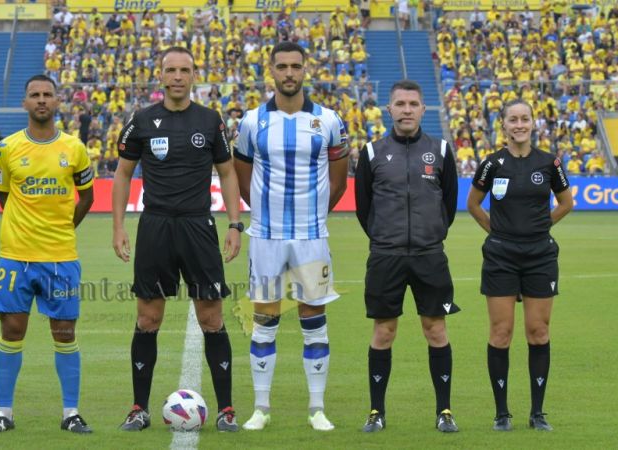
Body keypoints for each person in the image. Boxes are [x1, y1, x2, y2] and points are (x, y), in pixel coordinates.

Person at [112, 46, 242, 432]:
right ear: (161, 75)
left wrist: (235, 225)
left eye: (185, 70)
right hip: (155, 226)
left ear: (193, 75)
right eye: (171, 70)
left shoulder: (210, 120)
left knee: (212, 318)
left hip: (199, 226)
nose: (178, 77)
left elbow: (229, 173)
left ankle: (227, 410)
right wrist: (118, 226)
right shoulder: (142, 121)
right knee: (148, 318)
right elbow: (122, 174)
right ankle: (139, 408)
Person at [233, 41, 349, 432]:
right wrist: (264, 214)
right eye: (281, 66)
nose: (288, 73)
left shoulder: (329, 120)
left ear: (305, 69)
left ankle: (317, 408)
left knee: (313, 318)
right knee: (264, 319)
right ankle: (260, 408)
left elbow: (338, 181)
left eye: (295, 66)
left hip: (312, 238)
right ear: (271, 70)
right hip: (265, 237)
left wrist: (313, 217)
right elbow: (242, 176)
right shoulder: (252, 121)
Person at [0, 75, 95, 434]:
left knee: (64, 333)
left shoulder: (74, 148)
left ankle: (71, 413)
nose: (41, 100)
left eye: (47, 95)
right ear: (25, 103)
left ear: (58, 102)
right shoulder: (7, 148)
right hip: (15, 257)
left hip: (60, 258)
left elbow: (87, 197)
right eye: (35, 95)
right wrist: (26, 228)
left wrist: (61, 230)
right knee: (12, 331)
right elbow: (3, 197)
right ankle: (4, 414)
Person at [354, 80, 460, 433]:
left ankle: (444, 411)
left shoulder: (442, 150)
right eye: (400, 103)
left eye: (413, 104)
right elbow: (363, 208)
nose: (407, 110)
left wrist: (430, 236)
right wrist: (386, 238)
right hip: (386, 256)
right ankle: (376, 412)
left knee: (436, 329)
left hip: (430, 256)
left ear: (423, 109)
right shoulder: (372, 152)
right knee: (384, 332)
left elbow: (448, 204)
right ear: (389, 109)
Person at [467, 99, 573, 432]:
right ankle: (502, 414)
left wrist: (542, 227)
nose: (519, 124)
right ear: (505, 125)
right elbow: (473, 204)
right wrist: (497, 233)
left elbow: (566, 202)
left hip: (540, 255)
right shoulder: (491, 163)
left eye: (525, 119)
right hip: (501, 256)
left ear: (533, 123)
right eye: (513, 119)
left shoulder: (549, 162)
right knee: (501, 333)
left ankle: (537, 413)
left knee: (538, 332)